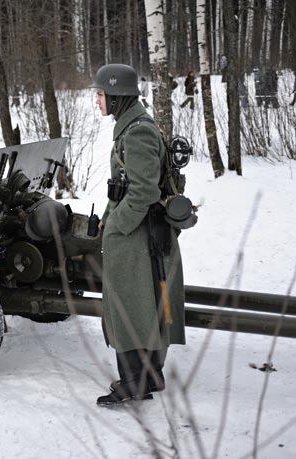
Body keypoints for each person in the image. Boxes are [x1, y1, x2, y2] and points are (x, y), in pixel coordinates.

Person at [89, 63, 186, 406]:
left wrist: (117, 227)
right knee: (142, 305)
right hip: (136, 230)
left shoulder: (137, 132)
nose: (97, 101)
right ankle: (147, 376)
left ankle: (135, 382)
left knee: (130, 305)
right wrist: (106, 217)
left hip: (136, 237)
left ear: (117, 96)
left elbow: (143, 191)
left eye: (100, 94)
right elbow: (124, 187)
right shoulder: (130, 126)